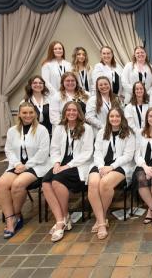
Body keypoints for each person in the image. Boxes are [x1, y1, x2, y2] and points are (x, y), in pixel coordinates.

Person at [0, 102, 51, 238]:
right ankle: (11, 220)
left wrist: (26, 166)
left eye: (31, 112)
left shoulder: (42, 130)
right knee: (1, 184)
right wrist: (16, 164)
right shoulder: (12, 130)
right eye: (24, 113)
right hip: (17, 165)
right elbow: (8, 150)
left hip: (37, 165)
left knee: (18, 185)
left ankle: (16, 214)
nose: (28, 115)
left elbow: (43, 152)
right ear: (19, 114)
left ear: (35, 114)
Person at [43, 102, 94, 242]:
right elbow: (54, 149)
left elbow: (87, 153)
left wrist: (68, 165)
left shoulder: (86, 128)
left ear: (79, 113)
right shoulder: (59, 128)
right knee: (46, 182)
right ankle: (62, 218)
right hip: (61, 164)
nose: (71, 112)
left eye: (74, 110)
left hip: (79, 165)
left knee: (57, 181)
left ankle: (63, 220)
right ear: (65, 112)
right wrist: (57, 162)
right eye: (68, 110)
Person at [88, 107, 135, 239]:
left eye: (117, 116)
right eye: (112, 116)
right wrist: (102, 166)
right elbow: (97, 151)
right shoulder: (102, 131)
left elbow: (128, 156)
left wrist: (111, 166)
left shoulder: (128, 133)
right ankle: (102, 220)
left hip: (120, 166)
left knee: (105, 183)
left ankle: (100, 221)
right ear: (108, 118)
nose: (114, 119)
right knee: (93, 183)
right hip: (100, 165)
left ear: (122, 118)